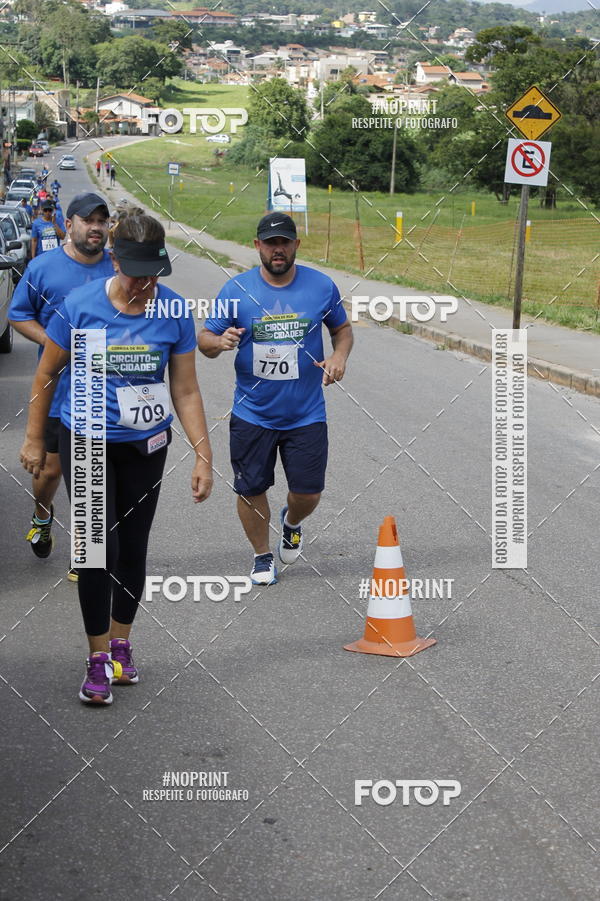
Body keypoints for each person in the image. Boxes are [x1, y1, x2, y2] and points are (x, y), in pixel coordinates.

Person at [19, 212, 213, 704]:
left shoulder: (172, 312)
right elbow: (45, 376)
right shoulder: (79, 306)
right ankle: (97, 657)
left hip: (146, 447)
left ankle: (123, 643)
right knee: (93, 554)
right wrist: (34, 439)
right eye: (135, 271)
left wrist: (203, 454)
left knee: (132, 549)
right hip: (85, 441)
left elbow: (185, 389)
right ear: (112, 259)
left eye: (153, 272)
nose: (145, 282)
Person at [198, 212, 353, 586]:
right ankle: (262, 555)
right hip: (253, 412)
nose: (277, 249)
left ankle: (292, 521)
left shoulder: (321, 287)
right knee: (251, 488)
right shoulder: (236, 290)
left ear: (296, 245)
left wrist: (338, 357)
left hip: (306, 412)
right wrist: (219, 343)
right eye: (270, 243)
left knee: (309, 492)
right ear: (257, 247)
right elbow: (203, 338)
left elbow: (342, 330)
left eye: (284, 242)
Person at [9, 192, 114, 580]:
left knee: (90, 473)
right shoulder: (43, 268)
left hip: (101, 393)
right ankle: (42, 513)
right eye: (88, 220)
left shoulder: (118, 268)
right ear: (68, 225)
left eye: (102, 221)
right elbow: (18, 315)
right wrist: (55, 344)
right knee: (49, 472)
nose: (96, 228)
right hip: (55, 390)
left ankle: (85, 553)